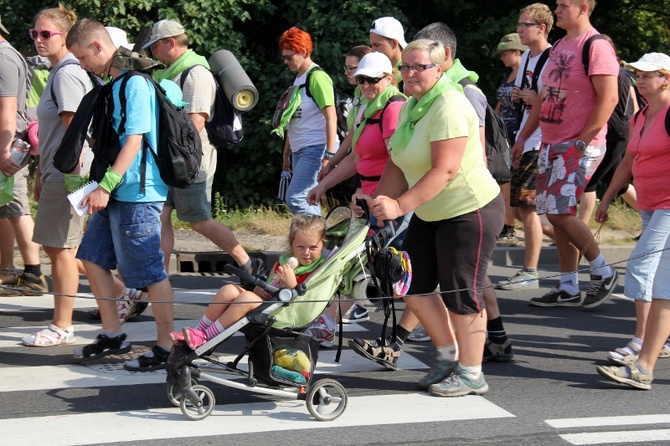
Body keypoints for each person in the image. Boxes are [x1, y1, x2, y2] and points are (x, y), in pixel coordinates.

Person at [355, 39, 504, 397]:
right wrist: (378, 201)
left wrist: (399, 207)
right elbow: (397, 161)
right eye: (405, 66)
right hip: (432, 210)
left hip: (470, 209)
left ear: (440, 68)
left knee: (462, 293)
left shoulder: (449, 105)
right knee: (414, 287)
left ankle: (471, 373)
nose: (409, 73)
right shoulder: (411, 106)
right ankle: (447, 358)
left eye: (419, 67)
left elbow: (446, 170)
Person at [66, 19, 174, 371]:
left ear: (98, 47)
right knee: (92, 256)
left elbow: (135, 140)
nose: (82, 66)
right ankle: (113, 333)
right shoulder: (114, 82)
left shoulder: (135, 84)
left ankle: (166, 346)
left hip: (138, 192)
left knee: (149, 273)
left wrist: (106, 186)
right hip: (117, 190)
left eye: (83, 58)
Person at [143, 19, 263, 277]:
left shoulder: (196, 73)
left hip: (190, 163)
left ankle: (248, 264)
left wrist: (166, 146)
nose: (152, 52)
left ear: (171, 42)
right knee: (160, 217)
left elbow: (195, 122)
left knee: (198, 220)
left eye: (155, 47)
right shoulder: (170, 71)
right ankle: (155, 281)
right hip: (168, 159)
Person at [520, 0, 620, 309]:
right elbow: (543, 97)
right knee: (556, 215)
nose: (558, 9)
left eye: (564, 5)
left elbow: (610, 97)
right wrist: (523, 137)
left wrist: (581, 143)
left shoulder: (596, 45)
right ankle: (568, 287)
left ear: (583, 7)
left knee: (559, 214)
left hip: (578, 144)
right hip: (551, 142)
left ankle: (603, 271)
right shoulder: (561, 44)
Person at [306, 52, 406, 343]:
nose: (365, 85)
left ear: (389, 78)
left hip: (390, 199)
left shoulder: (392, 108)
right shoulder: (369, 107)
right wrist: (323, 186)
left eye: (372, 79)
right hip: (370, 197)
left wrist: (373, 196)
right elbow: (356, 157)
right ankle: (328, 321)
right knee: (365, 264)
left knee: (382, 266)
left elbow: (397, 161)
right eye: (361, 79)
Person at [594, 54, 670, 388]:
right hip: (651, 205)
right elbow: (627, 162)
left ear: (665, 79)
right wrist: (607, 198)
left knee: (645, 271)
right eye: (636, 74)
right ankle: (644, 361)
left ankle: (642, 352)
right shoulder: (640, 115)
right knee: (662, 286)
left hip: (669, 207)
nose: (638, 80)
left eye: (646, 75)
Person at [20, 5, 94, 346]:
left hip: (68, 175)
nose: (38, 39)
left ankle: (62, 325)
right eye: (34, 33)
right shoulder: (59, 72)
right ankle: (124, 295)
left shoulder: (66, 74)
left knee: (59, 249)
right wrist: (41, 174)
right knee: (68, 249)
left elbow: (74, 132)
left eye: (46, 34)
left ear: (65, 37)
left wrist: (70, 181)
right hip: (58, 172)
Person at [171, 213, 326, 350]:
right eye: (300, 247)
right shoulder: (285, 261)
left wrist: (292, 285)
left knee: (245, 298)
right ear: (292, 245)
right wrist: (259, 289)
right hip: (272, 302)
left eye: (313, 247)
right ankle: (199, 331)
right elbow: (271, 282)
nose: (306, 253)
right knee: (229, 289)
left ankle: (207, 338)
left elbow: (308, 303)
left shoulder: (319, 269)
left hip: (289, 312)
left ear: (322, 245)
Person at [496, 2, 554, 291]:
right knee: (519, 210)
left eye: (525, 25)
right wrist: (523, 95)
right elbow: (524, 97)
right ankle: (568, 238)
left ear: (541, 28)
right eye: (519, 24)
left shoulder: (551, 57)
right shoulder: (528, 58)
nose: (519, 29)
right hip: (524, 137)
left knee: (527, 208)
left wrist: (536, 99)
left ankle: (530, 271)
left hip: (540, 139)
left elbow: (552, 99)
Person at [0, 14, 46, 297]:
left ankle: (34, 273)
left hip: (10, 143)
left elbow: (7, 108)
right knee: (6, 207)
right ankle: (9, 269)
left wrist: (4, 149)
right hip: (7, 141)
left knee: (17, 207)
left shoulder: (4, 57)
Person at [577, 35, 639, 225]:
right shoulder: (623, 73)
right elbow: (635, 107)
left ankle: (580, 233)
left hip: (612, 134)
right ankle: (651, 216)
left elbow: (605, 103)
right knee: (617, 182)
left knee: (590, 181)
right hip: (622, 132)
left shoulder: (609, 74)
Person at [276, 26, 337, 216]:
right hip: (299, 148)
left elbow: (331, 117)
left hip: (315, 147)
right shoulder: (298, 79)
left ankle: (319, 239)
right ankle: (318, 244)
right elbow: (293, 120)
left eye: (289, 57)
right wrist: (286, 153)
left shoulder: (317, 77)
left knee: (295, 197)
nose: (286, 62)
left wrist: (329, 154)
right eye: (284, 57)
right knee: (308, 197)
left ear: (303, 51)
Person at [494, 33, 527, 245]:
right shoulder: (507, 78)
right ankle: (507, 223)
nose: (502, 58)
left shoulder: (525, 77)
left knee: (510, 181)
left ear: (517, 52)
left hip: (519, 134)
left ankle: (511, 225)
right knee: (502, 180)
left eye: (505, 53)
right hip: (504, 134)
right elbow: (500, 104)